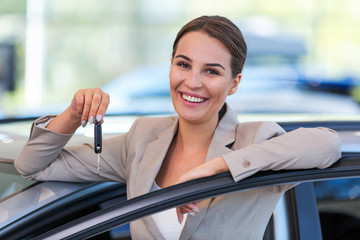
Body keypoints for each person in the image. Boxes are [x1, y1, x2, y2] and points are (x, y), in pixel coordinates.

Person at [15, 15, 341, 240]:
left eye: (211, 71)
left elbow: (328, 145)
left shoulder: (255, 140)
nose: (192, 82)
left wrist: (219, 168)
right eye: (183, 64)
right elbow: (31, 166)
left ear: (234, 83)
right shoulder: (141, 138)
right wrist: (74, 112)